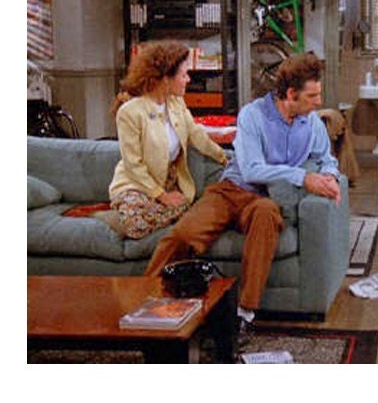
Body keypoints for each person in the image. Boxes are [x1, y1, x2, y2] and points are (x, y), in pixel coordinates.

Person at [144, 52, 341, 338]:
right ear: (290, 94)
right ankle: (142, 297)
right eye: (312, 96)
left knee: (266, 215)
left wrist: (331, 177)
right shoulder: (253, 115)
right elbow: (252, 170)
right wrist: (302, 177)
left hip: (264, 200)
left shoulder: (311, 124)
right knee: (182, 235)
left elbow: (327, 159)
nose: (319, 102)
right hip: (231, 190)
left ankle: (244, 313)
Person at [108, 41, 228, 240]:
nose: (188, 80)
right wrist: (161, 196)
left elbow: (195, 134)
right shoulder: (130, 112)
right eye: (183, 75)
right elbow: (133, 165)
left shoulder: (176, 103)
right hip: (136, 185)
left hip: (166, 184)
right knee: (135, 223)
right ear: (165, 79)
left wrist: (223, 157)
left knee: (186, 206)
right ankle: (123, 217)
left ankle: (143, 215)